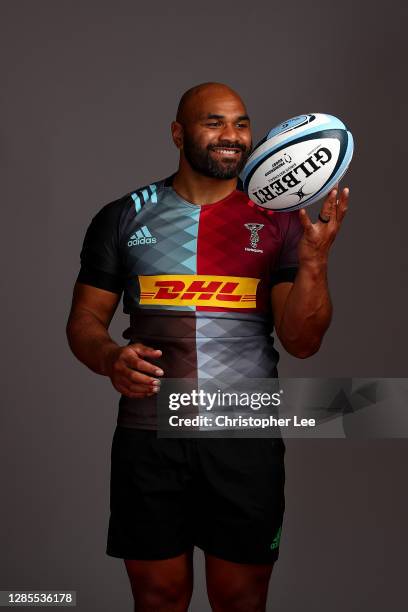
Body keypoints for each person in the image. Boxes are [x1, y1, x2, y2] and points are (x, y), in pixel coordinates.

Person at [66, 82, 349, 612]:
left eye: (241, 124)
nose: (232, 136)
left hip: (243, 433)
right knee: (159, 598)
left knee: (240, 599)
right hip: (151, 433)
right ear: (178, 133)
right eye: (213, 122)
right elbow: (84, 320)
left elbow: (303, 342)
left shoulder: (281, 220)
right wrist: (109, 358)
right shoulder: (124, 216)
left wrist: (314, 262)